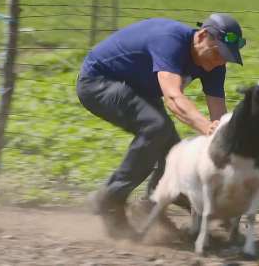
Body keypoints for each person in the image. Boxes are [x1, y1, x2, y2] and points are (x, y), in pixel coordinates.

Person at [76, 14, 246, 238]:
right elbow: (173, 98)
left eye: (226, 57)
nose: (220, 61)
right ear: (202, 36)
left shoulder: (214, 65)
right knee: (156, 128)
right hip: (98, 82)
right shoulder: (170, 40)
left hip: (139, 90)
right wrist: (206, 128)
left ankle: (151, 206)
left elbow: (219, 116)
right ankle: (111, 198)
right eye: (218, 53)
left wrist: (224, 148)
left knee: (173, 153)